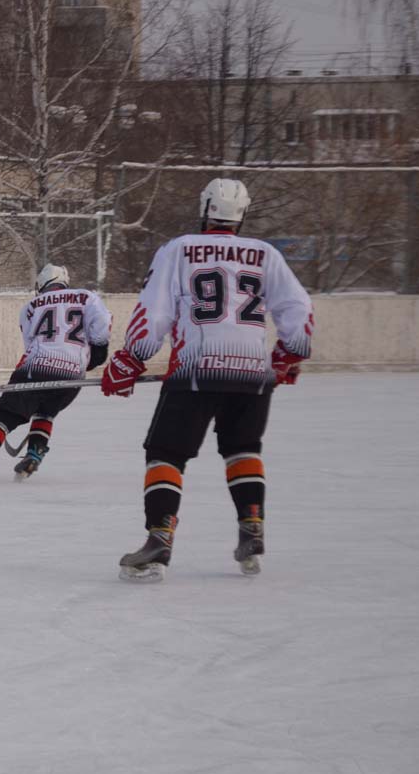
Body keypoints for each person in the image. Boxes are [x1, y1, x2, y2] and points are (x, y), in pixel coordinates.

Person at [102, 178, 314, 582]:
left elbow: (156, 310)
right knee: (243, 448)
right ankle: (252, 527)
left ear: (205, 209)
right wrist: (289, 354)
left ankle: (159, 538)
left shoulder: (179, 249)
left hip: (197, 369)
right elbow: (298, 310)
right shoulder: (265, 253)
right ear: (242, 214)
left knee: (166, 452)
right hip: (253, 371)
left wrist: (130, 358)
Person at [0, 264, 111, 484]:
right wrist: (88, 360)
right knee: (46, 411)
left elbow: (31, 347)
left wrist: (14, 388)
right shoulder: (87, 297)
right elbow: (102, 329)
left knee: (6, 417)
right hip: (72, 375)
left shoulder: (31, 306)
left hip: (37, 368)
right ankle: (34, 455)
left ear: (42, 284)